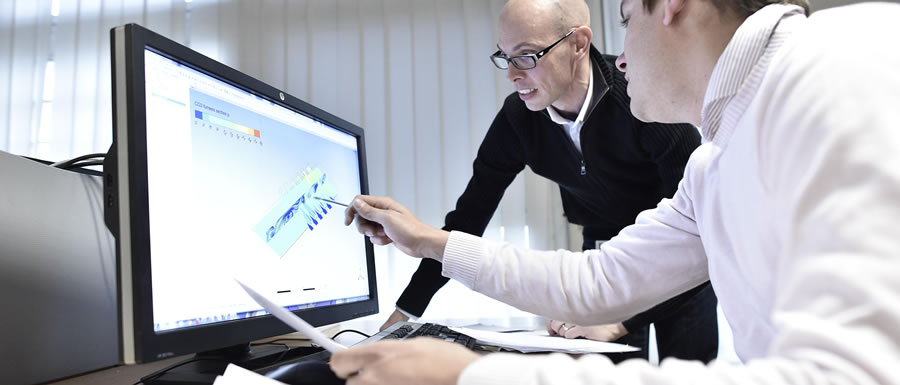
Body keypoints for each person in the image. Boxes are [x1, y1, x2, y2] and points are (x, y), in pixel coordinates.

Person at [330, 0, 900, 382]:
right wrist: (430, 242)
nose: (621, 55)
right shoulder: (716, 160)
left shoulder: (830, 67)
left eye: (627, 19)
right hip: (610, 240)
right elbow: (599, 280)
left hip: (685, 292)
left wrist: (471, 374)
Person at [384, 0, 717, 363]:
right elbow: (467, 220)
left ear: (578, 44)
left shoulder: (644, 98)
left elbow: (697, 235)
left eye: (526, 55)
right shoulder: (519, 119)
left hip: (679, 259)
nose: (512, 74)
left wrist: (621, 321)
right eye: (505, 56)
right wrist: (404, 314)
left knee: (688, 371)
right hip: (602, 258)